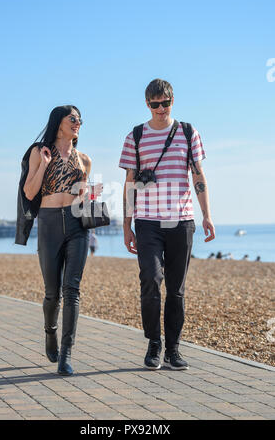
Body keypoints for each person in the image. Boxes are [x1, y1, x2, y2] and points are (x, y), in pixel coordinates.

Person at [119, 79, 215, 371]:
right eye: (154, 104)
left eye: (165, 103)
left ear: (173, 101)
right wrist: (127, 225)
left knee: (176, 289)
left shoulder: (188, 132)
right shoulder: (135, 136)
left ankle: (173, 349)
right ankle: (153, 343)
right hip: (147, 221)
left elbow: (198, 175)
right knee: (150, 279)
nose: (160, 109)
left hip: (182, 221)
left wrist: (206, 215)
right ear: (147, 105)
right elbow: (130, 184)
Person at [23, 105, 102, 376]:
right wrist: (44, 165)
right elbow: (30, 191)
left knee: (72, 290)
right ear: (59, 123)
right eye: (73, 118)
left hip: (77, 225)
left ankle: (66, 353)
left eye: (80, 119)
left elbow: (82, 197)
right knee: (51, 293)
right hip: (48, 222)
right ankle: (50, 332)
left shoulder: (85, 160)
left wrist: (90, 193)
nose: (78, 122)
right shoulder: (39, 152)